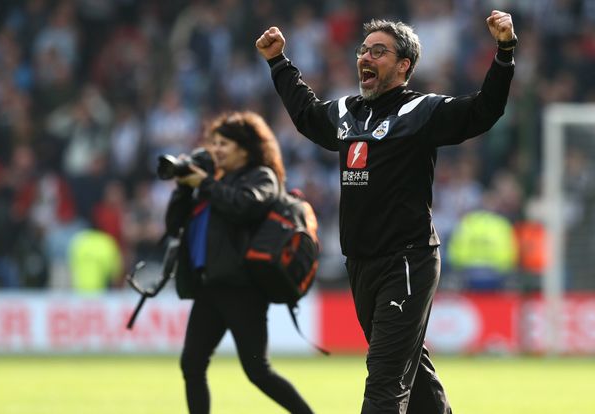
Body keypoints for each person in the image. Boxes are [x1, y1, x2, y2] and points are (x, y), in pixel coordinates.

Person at [256, 10, 516, 414]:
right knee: (412, 375)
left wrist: (504, 52)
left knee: (384, 382)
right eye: (363, 50)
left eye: (379, 51)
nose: (365, 58)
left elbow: (483, 111)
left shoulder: (421, 112)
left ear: (403, 65)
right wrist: (278, 62)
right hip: (360, 263)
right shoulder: (346, 114)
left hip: (407, 261)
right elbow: (308, 116)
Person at [164, 111, 314, 414]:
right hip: (209, 286)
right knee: (192, 364)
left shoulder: (261, 176)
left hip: (241, 288)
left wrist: (204, 183)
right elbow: (173, 225)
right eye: (214, 143)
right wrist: (183, 187)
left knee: (258, 372)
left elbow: (244, 206)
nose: (216, 150)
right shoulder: (213, 181)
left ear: (245, 148)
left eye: (224, 144)